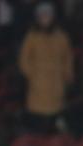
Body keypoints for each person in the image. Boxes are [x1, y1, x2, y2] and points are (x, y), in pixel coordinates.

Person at [18, 2, 73, 133]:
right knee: (39, 119)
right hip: (38, 84)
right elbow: (24, 60)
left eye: (47, 16)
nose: (45, 19)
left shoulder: (61, 37)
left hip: (56, 83)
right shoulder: (31, 36)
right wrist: (33, 75)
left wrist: (67, 75)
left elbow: (68, 58)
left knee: (55, 116)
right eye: (42, 16)